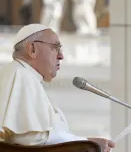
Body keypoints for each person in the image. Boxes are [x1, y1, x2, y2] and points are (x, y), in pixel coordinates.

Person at [0, 24, 115, 152]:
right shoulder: (20, 75)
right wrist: (85, 143)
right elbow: (31, 139)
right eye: (55, 48)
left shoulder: (24, 75)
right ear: (32, 49)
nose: (61, 56)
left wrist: (83, 141)